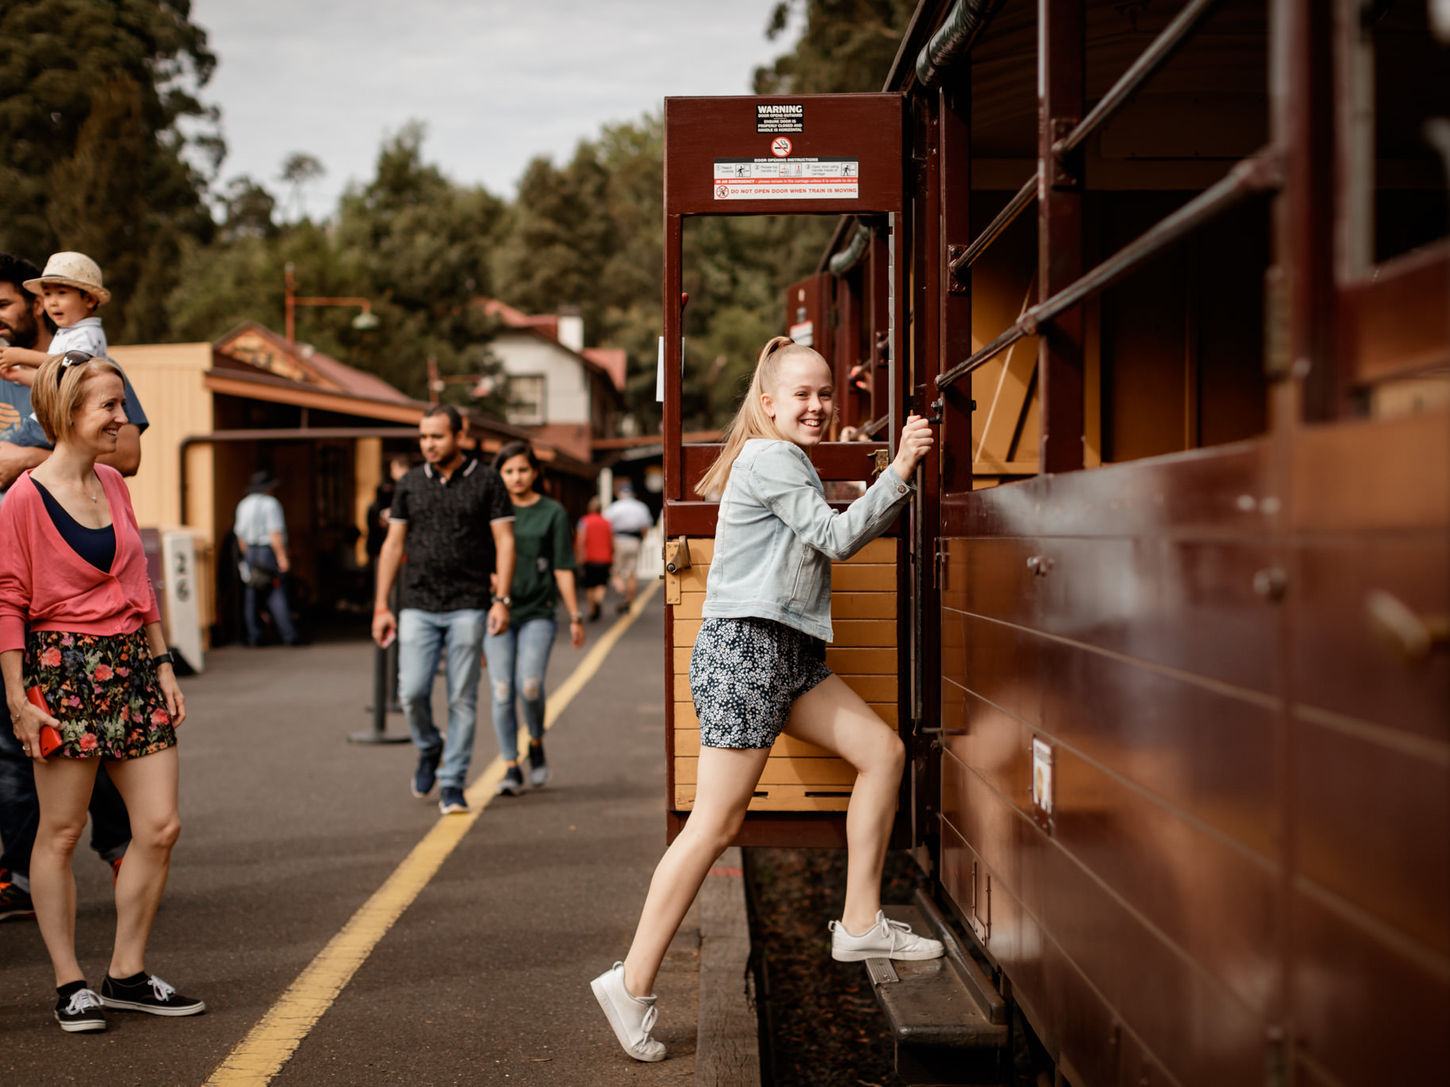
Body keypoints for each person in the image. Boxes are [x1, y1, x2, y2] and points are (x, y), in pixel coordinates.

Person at [591, 337, 940, 1062]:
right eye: (802, 395)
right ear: (770, 402)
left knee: (882, 752)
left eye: (824, 394)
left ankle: (860, 918)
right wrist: (901, 465)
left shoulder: (784, 461)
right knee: (713, 827)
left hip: (786, 655)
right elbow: (838, 539)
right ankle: (630, 981)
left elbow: (817, 530)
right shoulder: (772, 458)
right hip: (749, 652)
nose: (815, 406)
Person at [0, 351, 203, 1032]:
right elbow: (7, 600)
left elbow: (137, 577)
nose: (123, 417)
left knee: (160, 826)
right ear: (66, 413)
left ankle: (126, 971)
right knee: (59, 832)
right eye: (110, 406)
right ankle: (69, 982)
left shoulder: (114, 483)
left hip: (133, 670)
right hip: (61, 671)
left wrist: (163, 663)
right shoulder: (23, 499)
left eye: (120, 403)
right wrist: (18, 697)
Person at [0, 254, 148, 925]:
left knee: (106, 769)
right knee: (27, 758)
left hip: (85, 630)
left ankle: (115, 851)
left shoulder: (78, 364)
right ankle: (23, 881)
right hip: (33, 612)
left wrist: (30, 459)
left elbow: (126, 459)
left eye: (7, 302)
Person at [372, 405, 515, 816]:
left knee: (462, 698)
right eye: (423, 437)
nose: (429, 445)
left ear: (459, 434)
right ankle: (429, 745)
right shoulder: (410, 484)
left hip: (469, 604)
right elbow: (393, 545)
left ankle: (452, 782)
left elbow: (505, 542)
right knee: (411, 691)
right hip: (417, 603)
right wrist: (382, 605)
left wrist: (501, 600)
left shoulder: (487, 481)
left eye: (437, 436)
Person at [489, 441, 586, 796]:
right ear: (499, 475)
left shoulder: (552, 512)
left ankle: (536, 739)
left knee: (528, 685)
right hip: (497, 613)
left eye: (522, 470)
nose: (516, 477)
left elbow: (563, 566)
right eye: (509, 471)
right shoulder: (491, 511)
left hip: (538, 612)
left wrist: (575, 615)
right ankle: (511, 766)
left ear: (534, 473)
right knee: (502, 690)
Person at [0, 252, 110, 382]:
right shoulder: (68, 334)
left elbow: (73, 365)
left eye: (61, 293)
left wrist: (23, 356)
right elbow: (54, 382)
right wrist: (17, 375)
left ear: (89, 300)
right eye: (47, 294)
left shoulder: (88, 334)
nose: (52, 302)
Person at [233, 471, 300, 647]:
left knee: (252, 593)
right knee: (275, 591)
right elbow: (275, 534)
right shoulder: (271, 505)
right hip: (266, 552)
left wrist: (247, 556)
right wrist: (282, 558)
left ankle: (254, 636)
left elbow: (240, 536)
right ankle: (289, 635)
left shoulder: (243, 505)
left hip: (250, 551)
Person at [603, 482, 653, 613]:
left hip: (618, 540)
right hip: (634, 540)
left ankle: (621, 590)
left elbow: (607, 526)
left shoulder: (614, 508)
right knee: (631, 572)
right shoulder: (641, 507)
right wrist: (641, 540)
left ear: (620, 493)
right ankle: (628, 599)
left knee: (616, 570)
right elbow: (645, 527)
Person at [575, 496, 613, 622]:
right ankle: (598, 600)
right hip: (604, 557)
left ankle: (592, 609)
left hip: (590, 557)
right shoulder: (607, 523)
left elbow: (581, 539)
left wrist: (580, 555)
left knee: (590, 585)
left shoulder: (584, 521)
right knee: (601, 584)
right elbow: (611, 541)